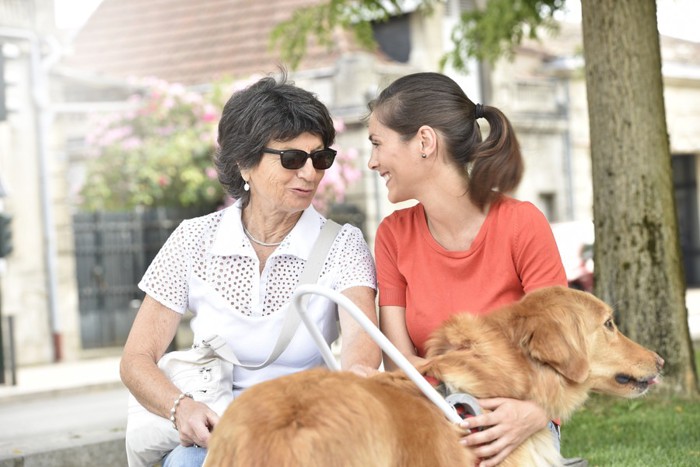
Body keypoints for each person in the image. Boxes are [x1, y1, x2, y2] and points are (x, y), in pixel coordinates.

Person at [121, 72, 381, 467]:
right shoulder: (194, 239)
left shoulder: (343, 244)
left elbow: (361, 359)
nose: (310, 173)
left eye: (321, 158)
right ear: (245, 163)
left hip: (305, 430)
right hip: (218, 430)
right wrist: (182, 409)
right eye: (292, 159)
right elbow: (136, 358)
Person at [367, 72, 584, 467]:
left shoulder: (522, 225)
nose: (372, 161)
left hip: (518, 420)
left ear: (424, 142)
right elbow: (400, 366)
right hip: (432, 418)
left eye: (378, 144)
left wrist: (531, 414)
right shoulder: (393, 236)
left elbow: (564, 353)